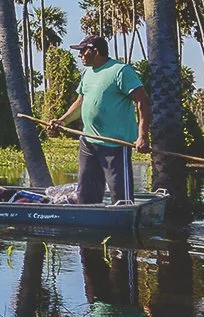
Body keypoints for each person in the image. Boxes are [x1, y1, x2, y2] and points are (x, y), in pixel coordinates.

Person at [57, 33, 146, 204]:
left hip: (115, 144)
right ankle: (90, 223)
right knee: (86, 196)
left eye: (83, 51)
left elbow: (143, 102)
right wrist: (62, 121)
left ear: (95, 51)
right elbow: (80, 102)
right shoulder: (88, 73)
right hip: (89, 143)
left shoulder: (120, 71)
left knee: (121, 198)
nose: (80, 55)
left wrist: (142, 136)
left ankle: (123, 224)